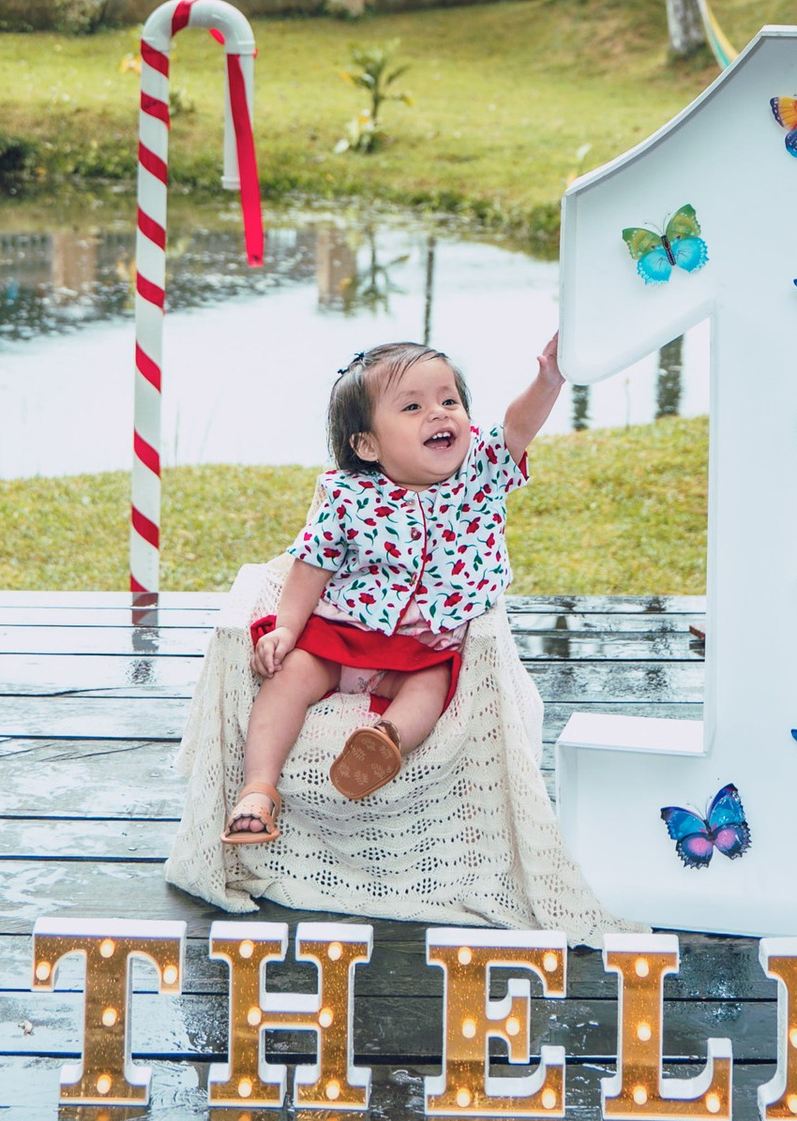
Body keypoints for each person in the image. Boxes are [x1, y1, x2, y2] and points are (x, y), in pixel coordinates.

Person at [221, 331, 561, 846]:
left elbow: (518, 425)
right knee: (287, 679)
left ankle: (383, 741)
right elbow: (311, 565)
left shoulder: (481, 474)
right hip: (345, 633)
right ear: (367, 444)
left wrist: (548, 379)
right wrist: (288, 629)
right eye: (412, 406)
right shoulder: (347, 494)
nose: (440, 414)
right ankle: (258, 789)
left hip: (427, 645)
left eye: (450, 400)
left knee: (428, 692)